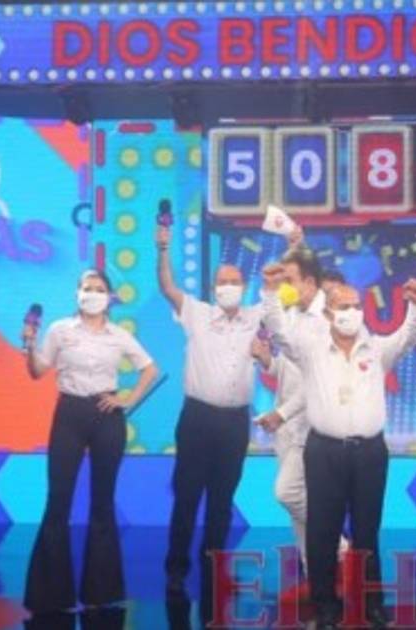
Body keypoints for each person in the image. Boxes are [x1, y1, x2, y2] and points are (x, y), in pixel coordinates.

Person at [260, 272, 416, 629]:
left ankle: (372, 605)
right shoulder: (311, 350)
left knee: (367, 531)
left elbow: (410, 336)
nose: (350, 312)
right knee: (322, 531)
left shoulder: (377, 349)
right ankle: (325, 607)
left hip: (369, 453)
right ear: (328, 313)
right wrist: (271, 292)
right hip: (324, 451)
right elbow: (279, 332)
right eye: (342, 306)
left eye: (355, 306)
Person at [22, 269, 159, 615]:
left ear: (109, 297)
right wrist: (29, 345)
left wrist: (127, 399)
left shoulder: (118, 335)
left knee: (102, 501)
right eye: (87, 288)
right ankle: (51, 594)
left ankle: (101, 591)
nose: (92, 293)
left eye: (99, 289)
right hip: (69, 413)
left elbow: (149, 369)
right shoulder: (60, 330)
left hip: (106, 415)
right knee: (58, 499)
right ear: (77, 294)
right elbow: (37, 371)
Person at [156, 224, 263, 597]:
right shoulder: (197, 313)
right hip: (197, 419)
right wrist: (162, 249)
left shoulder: (257, 317)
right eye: (222, 282)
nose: (227, 286)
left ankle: (214, 567)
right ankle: (176, 569)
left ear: (243, 286)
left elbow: (290, 297)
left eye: (234, 281)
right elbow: (167, 287)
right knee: (187, 497)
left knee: (222, 501)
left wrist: (294, 244)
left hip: (235, 422)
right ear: (214, 287)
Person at [252, 242, 329, 601]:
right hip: (284, 427)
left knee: (288, 493)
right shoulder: (294, 314)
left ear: (309, 283)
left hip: (309, 427)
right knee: (297, 517)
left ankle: (339, 546)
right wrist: (268, 361)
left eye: (289, 280)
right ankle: (317, 582)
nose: (284, 287)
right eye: (280, 281)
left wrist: (281, 414)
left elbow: (316, 382)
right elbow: (290, 370)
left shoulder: (326, 320)